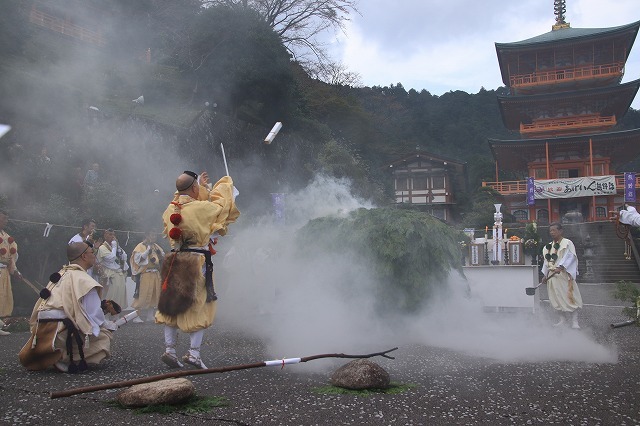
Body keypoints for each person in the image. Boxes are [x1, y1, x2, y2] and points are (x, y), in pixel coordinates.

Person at [157, 170, 239, 369]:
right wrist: (226, 186)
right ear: (194, 189)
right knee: (199, 305)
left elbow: (181, 197)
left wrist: (199, 186)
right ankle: (193, 354)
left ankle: (170, 350)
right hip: (195, 262)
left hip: (174, 260)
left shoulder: (170, 209)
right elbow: (221, 206)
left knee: (171, 304)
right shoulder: (201, 208)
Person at [18, 242, 116, 373]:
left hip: (42, 330)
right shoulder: (84, 280)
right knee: (103, 337)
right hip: (63, 330)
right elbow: (93, 314)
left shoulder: (61, 274)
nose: (95, 256)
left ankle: (53, 353)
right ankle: (66, 358)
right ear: (84, 256)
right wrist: (108, 325)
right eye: (92, 253)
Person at [541, 222, 583, 329]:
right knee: (556, 299)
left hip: (564, 275)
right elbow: (546, 262)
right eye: (550, 231)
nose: (552, 232)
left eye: (554, 230)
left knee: (570, 297)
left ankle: (575, 321)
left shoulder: (567, 243)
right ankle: (562, 320)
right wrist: (545, 275)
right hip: (552, 276)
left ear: (560, 231)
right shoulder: (548, 247)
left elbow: (570, 256)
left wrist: (561, 266)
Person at [130, 231, 165, 322]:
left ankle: (150, 315)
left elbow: (163, 257)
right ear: (147, 235)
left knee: (154, 294)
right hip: (145, 273)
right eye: (152, 235)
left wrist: (159, 254)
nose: (154, 237)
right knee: (141, 294)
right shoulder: (140, 246)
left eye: (155, 235)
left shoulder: (156, 246)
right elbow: (137, 259)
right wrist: (146, 252)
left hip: (155, 273)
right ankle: (136, 316)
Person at [97, 229, 129, 316]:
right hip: (109, 274)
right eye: (110, 234)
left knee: (119, 295)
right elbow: (111, 258)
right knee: (110, 296)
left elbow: (124, 257)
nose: (112, 237)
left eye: (113, 235)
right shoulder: (102, 247)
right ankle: (106, 316)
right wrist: (114, 247)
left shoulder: (115, 247)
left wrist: (118, 248)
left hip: (119, 273)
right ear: (105, 236)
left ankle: (116, 315)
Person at [0, 210, 22, 336]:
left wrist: (16, 271)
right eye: (3, 219)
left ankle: (0, 322)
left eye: (6, 219)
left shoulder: (6, 236)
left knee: (4, 297)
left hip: (4, 272)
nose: (5, 221)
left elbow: (13, 256)